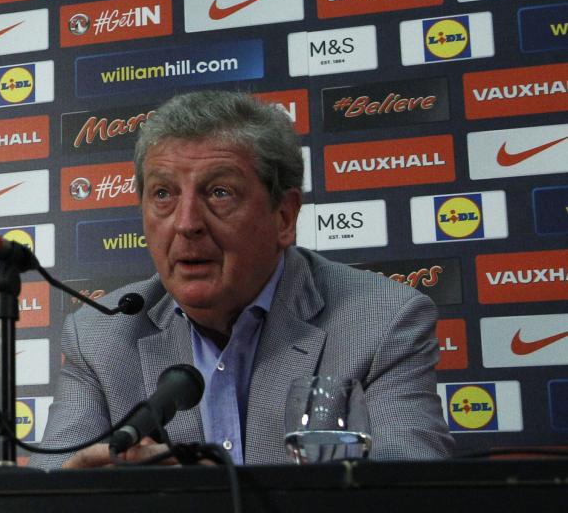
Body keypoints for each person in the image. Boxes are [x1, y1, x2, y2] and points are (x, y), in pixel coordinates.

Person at [33, 91, 453, 468]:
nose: (186, 223)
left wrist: (200, 499)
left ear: (284, 216)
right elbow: (51, 492)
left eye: (219, 192)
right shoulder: (100, 339)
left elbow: (407, 493)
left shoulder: (381, 323)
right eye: (163, 194)